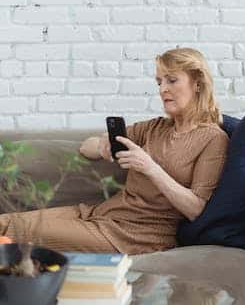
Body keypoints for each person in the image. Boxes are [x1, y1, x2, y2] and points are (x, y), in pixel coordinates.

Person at [0, 48, 229, 255]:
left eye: (171, 80)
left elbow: (196, 209)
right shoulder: (154, 127)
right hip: (100, 214)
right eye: (159, 82)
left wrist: (150, 168)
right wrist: (102, 145)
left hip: (137, 236)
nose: (163, 89)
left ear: (197, 83)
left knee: (19, 229)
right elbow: (86, 147)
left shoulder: (213, 139)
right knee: (5, 222)